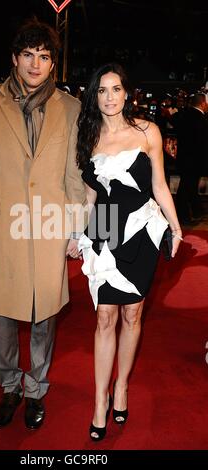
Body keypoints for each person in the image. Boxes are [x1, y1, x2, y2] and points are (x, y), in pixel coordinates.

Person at [0, 18, 86, 430]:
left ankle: (36, 389)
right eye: (28, 55)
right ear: (15, 58)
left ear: (53, 64)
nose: (36, 64)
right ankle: (9, 386)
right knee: (3, 317)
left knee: (45, 315)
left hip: (48, 228)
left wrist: (76, 229)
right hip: (1, 230)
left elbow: (74, 176)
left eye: (44, 56)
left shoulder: (71, 108)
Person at [76, 63, 182, 441]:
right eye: (101, 90)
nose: (109, 97)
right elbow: (90, 194)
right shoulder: (87, 136)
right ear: (94, 96)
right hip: (103, 226)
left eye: (115, 89)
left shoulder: (147, 131)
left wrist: (175, 224)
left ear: (126, 93)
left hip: (142, 228)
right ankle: (101, 402)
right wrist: (77, 233)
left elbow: (159, 184)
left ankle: (122, 387)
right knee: (105, 317)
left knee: (133, 313)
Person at [174, 93, 208, 225]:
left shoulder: (185, 115)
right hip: (194, 161)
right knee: (186, 188)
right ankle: (183, 217)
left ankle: (197, 211)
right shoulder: (200, 119)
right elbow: (202, 143)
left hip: (185, 159)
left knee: (190, 188)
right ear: (202, 104)